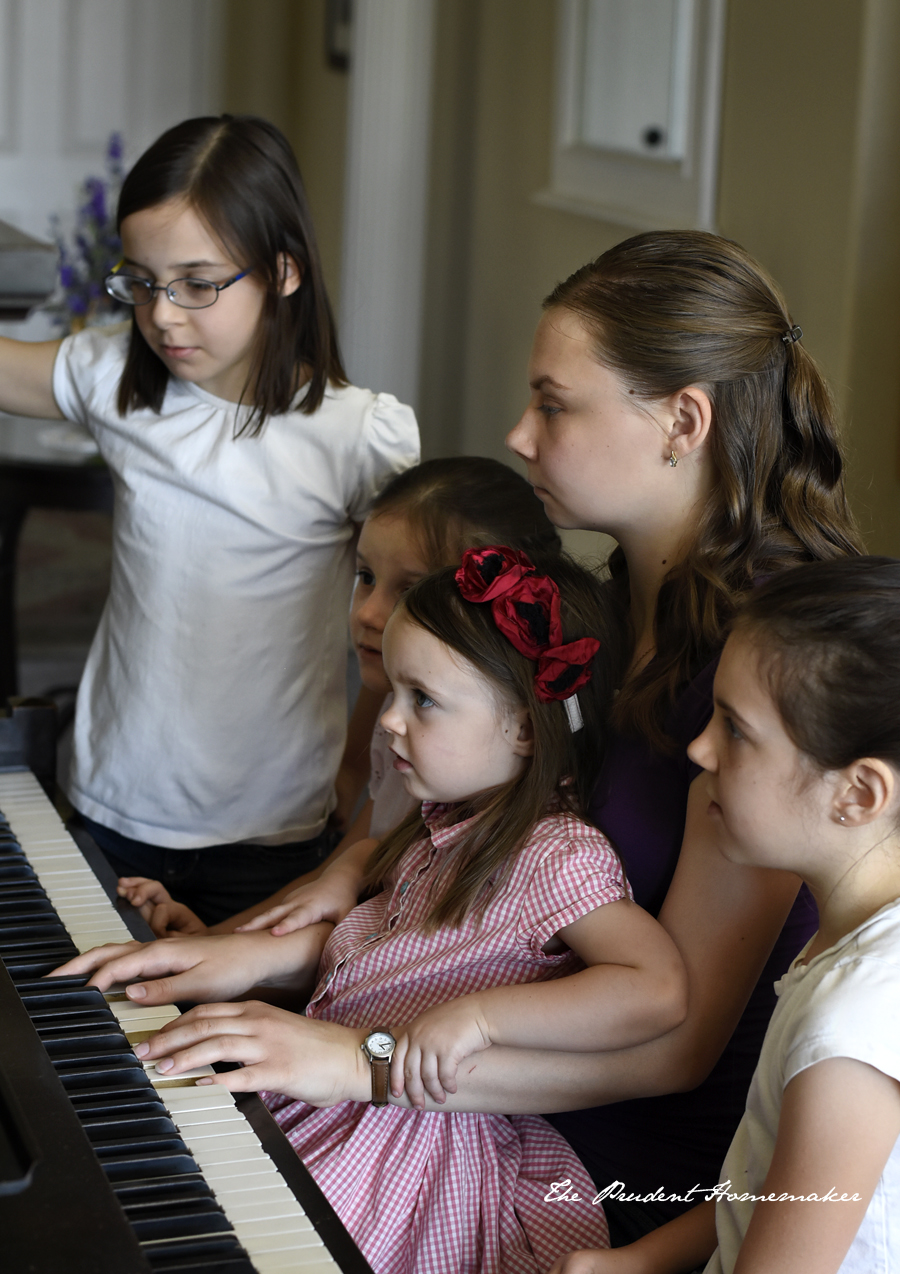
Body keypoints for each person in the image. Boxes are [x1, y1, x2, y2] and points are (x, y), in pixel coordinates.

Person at [152, 228, 859, 1245]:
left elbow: (680, 1039)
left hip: (615, 1157)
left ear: (682, 421)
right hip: (491, 1067)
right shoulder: (618, 596)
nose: (519, 435)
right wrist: (352, 870)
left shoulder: (760, 666)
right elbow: (511, 817)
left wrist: (364, 1057)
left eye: (554, 403)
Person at [57, 548, 689, 1274]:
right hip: (336, 1088)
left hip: (410, 1151)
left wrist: (483, 1019)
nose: (387, 719)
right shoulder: (441, 826)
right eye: (393, 690)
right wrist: (224, 949)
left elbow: (657, 986)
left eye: (422, 699)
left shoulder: (555, 854)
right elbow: (371, 968)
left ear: (523, 727)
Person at [0, 114, 418, 924]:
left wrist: (357, 769)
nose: (163, 315)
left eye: (197, 283)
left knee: (225, 1041)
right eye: (143, 282)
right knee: (87, 1015)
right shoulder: (121, 381)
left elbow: (395, 628)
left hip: (271, 828)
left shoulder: (354, 434)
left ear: (284, 271)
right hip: (111, 804)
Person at [550, 557, 900, 1274]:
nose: (699, 747)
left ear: (858, 795)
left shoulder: (849, 1032)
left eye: (735, 730)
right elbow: (773, 1184)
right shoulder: (861, 945)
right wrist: (643, 1259)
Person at [118, 455, 564, 936]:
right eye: (365, 577)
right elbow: (338, 878)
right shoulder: (402, 716)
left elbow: (365, 915)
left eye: (409, 591)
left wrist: (214, 952)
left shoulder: (458, 761)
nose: (369, 613)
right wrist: (216, 938)